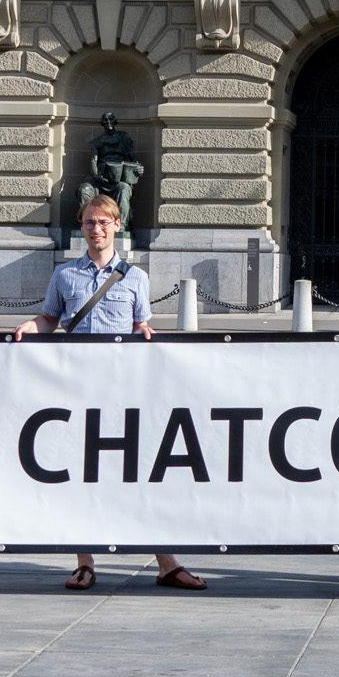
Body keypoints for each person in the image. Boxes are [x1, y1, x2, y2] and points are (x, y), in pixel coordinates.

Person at [15, 191, 203, 593]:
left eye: (103, 222)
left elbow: (139, 325)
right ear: (81, 227)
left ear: (117, 225)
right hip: (77, 389)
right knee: (80, 476)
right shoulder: (65, 275)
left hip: (123, 392)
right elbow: (50, 318)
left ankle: (167, 564)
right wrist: (33, 326)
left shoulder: (135, 278)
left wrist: (144, 332)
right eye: (89, 222)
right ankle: (84, 563)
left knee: (139, 474)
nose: (96, 229)